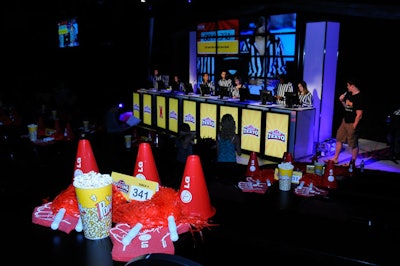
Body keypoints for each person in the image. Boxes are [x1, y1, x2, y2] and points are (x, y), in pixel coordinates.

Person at [240, 15, 287, 85]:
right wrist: (251, 81)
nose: (264, 27)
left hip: (271, 86)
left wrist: (276, 81)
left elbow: (282, 68)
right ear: (256, 24)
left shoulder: (277, 41)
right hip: (252, 86)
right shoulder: (247, 43)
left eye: (266, 24)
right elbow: (242, 68)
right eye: (261, 24)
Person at [327, 78, 364, 165]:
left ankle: (352, 162)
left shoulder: (359, 97)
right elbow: (347, 107)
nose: (347, 87)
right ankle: (335, 158)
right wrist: (342, 101)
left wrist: (354, 126)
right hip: (345, 121)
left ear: (352, 86)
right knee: (339, 138)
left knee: (353, 144)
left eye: (348, 85)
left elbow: (359, 114)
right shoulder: (349, 94)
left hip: (352, 122)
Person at [215, 113, 242, 183]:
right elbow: (239, 153)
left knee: (221, 185)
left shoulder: (218, 135)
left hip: (220, 163)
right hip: (231, 164)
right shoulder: (235, 137)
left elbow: (218, 152)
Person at [173, 123, 195, 188]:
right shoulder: (182, 140)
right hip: (183, 164)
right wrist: (187, 134)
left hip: (182, 163)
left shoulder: (181, 139)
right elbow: (186, 143)